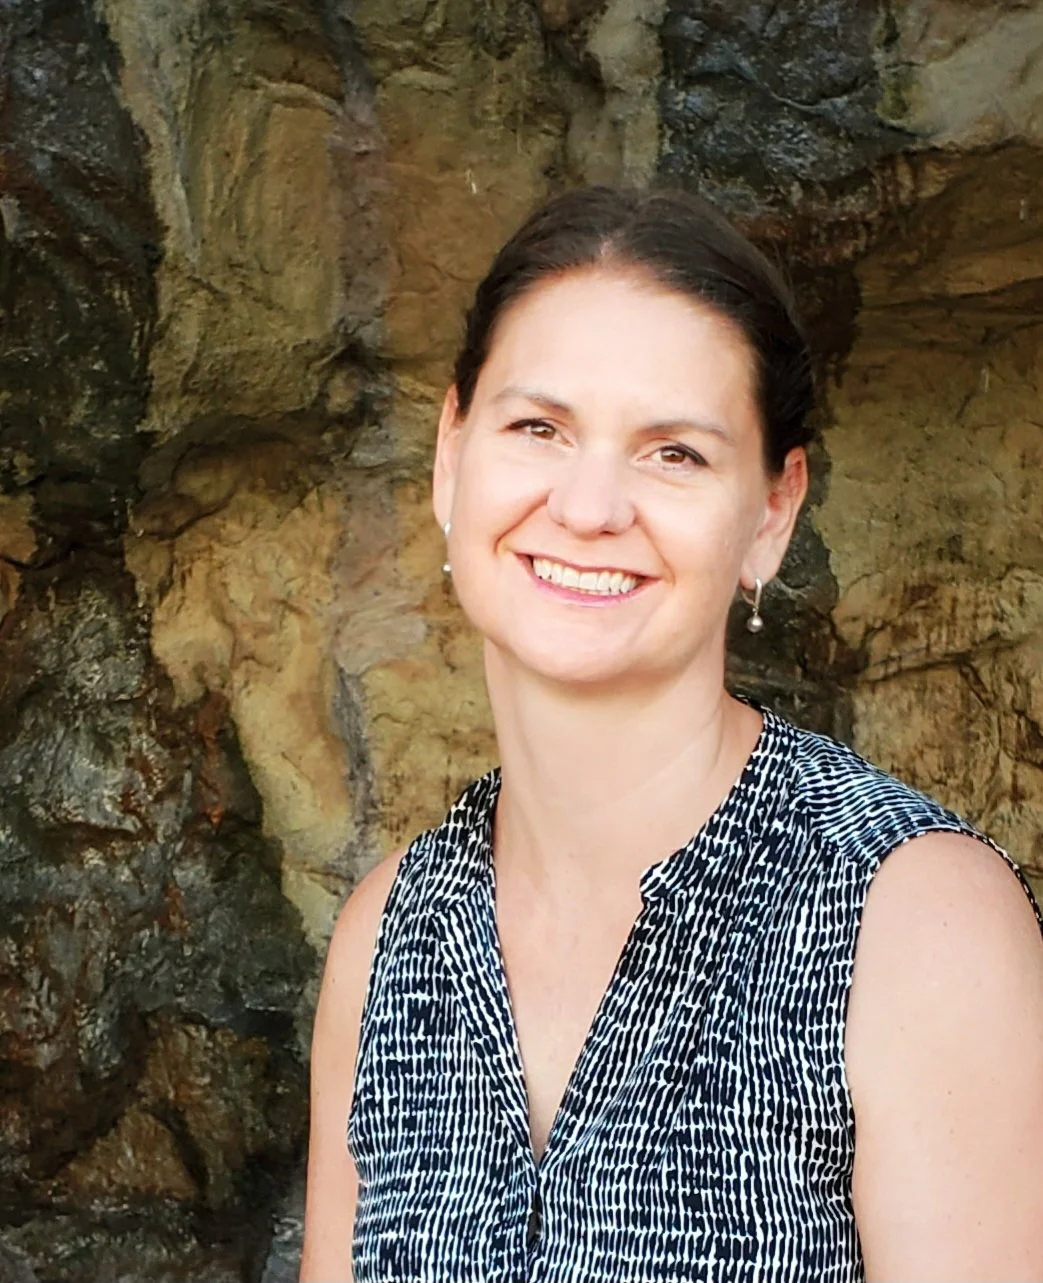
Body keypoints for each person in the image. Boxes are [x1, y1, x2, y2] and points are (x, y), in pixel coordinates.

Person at [299, 186, 1043, 1283]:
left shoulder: (911, 922)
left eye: (675, 453)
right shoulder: (388, 936)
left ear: (772, 511)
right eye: (538, 428)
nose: (588, 505)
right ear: (451, 453)